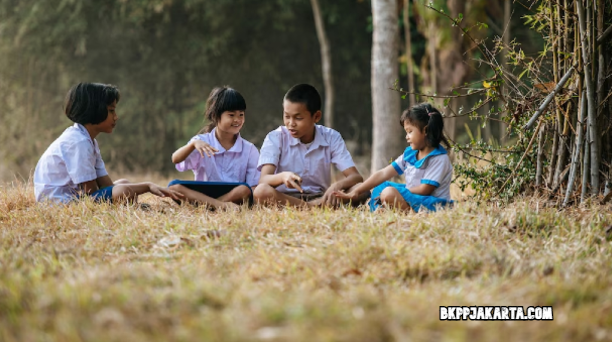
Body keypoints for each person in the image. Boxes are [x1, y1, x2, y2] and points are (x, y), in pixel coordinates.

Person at [34, 83, 182, 204]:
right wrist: (147, 186)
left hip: (75, 197)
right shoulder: (78, 142)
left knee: (123, 183)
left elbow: (106, 186)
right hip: (58, 203)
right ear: (94, 110)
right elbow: (91, 192)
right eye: (111, 111)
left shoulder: (88, 140)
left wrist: (123, 192)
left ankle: (131, 207)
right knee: (122, 190)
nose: (116, 117)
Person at [254, 84, 365, 207]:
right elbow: (263, 180)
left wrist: (336, 185)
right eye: (286, 116)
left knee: (361, 189)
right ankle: (311, 208)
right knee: (261, 191)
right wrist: (283, 177)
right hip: (286, 198)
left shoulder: (332, 137)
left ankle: (312, 206)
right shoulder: (275, 137)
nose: (291, 123)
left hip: (321, 197)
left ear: (316, 116)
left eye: (298, 118)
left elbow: (356, 177)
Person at [334, 103, 453, 212]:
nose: (407, 137)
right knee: (381, 186)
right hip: (412, 197)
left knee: (388, 192)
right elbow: (383, 173)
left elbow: (424, 190)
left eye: (410, 131)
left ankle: (408, 213)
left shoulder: (439, 159)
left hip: (433, 204)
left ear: (425, 130)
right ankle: (378, 210)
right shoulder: (410, 154)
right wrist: (356, 192)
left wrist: (396, 191)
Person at [169, 87, 259, 210]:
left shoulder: (249, 150)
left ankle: (210, 206)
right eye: (231, 115)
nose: (237, 120)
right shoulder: (200, 141)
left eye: (241, 115)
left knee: (244, 189)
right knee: (174, 187)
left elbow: (253, 187)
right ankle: (220, 206)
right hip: (202, 194)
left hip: (232, 196)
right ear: (215, 116)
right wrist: (192, 145)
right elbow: (175, 159)